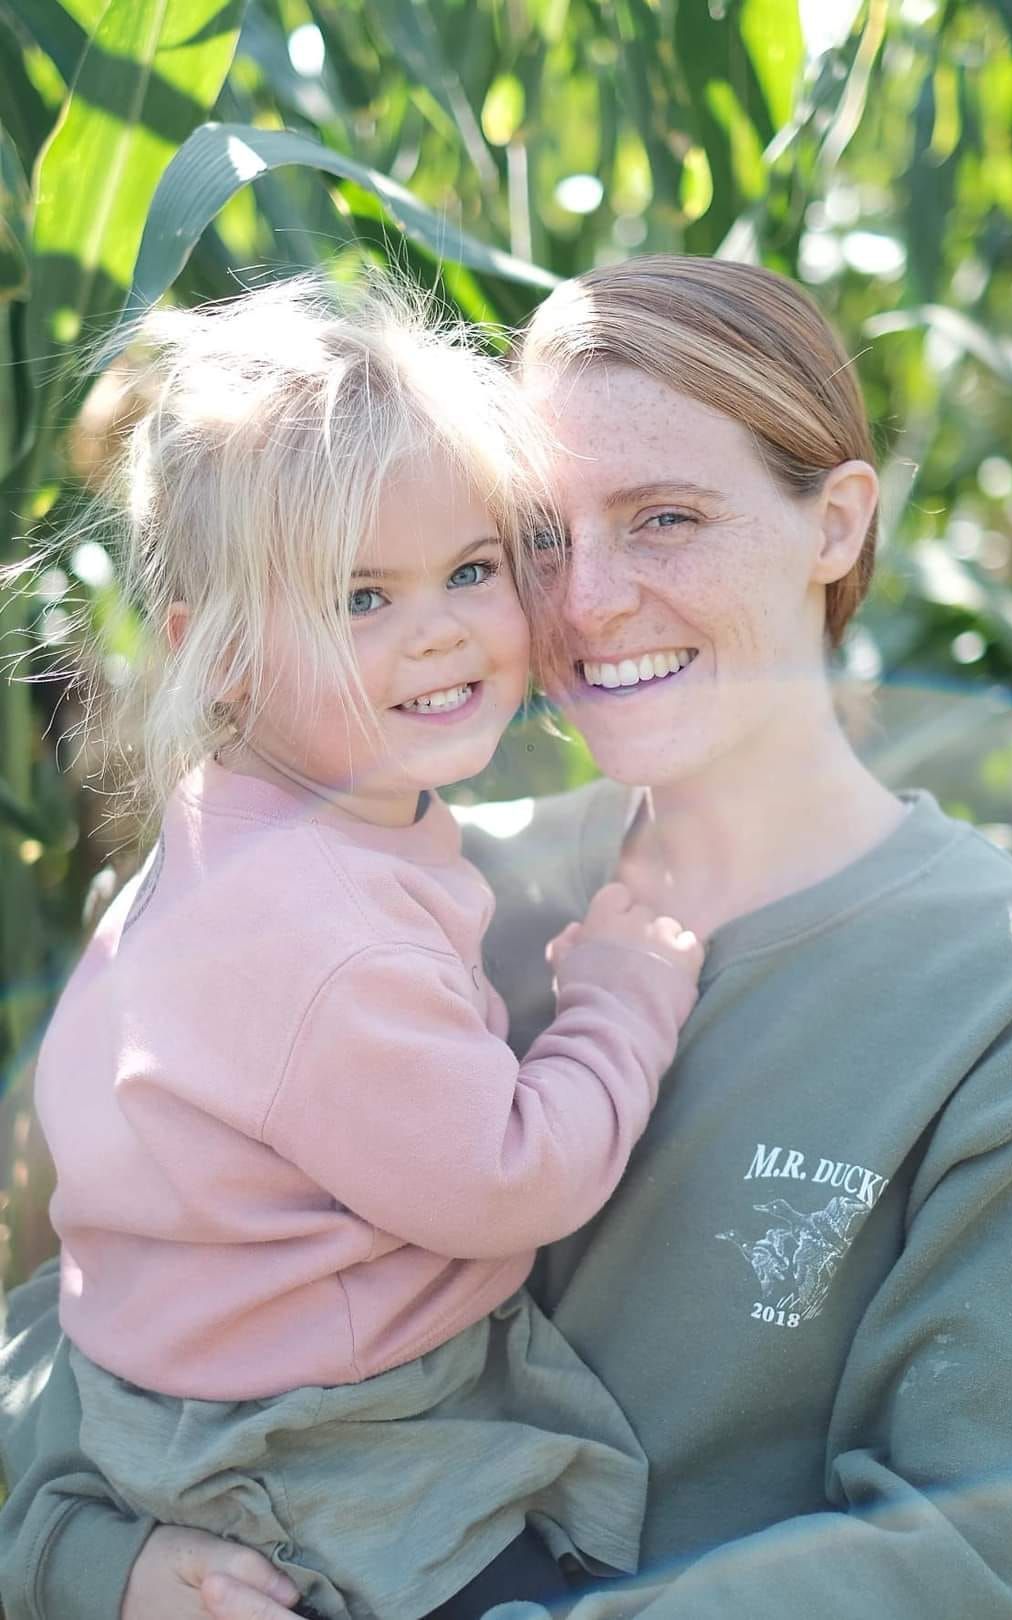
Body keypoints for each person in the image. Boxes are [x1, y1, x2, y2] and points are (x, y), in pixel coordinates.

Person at [2, 255, 1012, 1620]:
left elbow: (982, 1557)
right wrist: (98, 1566)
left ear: (838, 524)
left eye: (667, 519)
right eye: (543, 540)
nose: (586, 604)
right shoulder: (404, 900)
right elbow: (88, 1321)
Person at [4, 275, 708, 1620]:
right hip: (321, 1449)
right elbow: (511, 1177)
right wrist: (626, 990)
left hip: (196, 1378)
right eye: (359, 599)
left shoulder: (268, 828)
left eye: (470, 570)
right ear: (212, 655)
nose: (439, 627)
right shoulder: (317, 939)